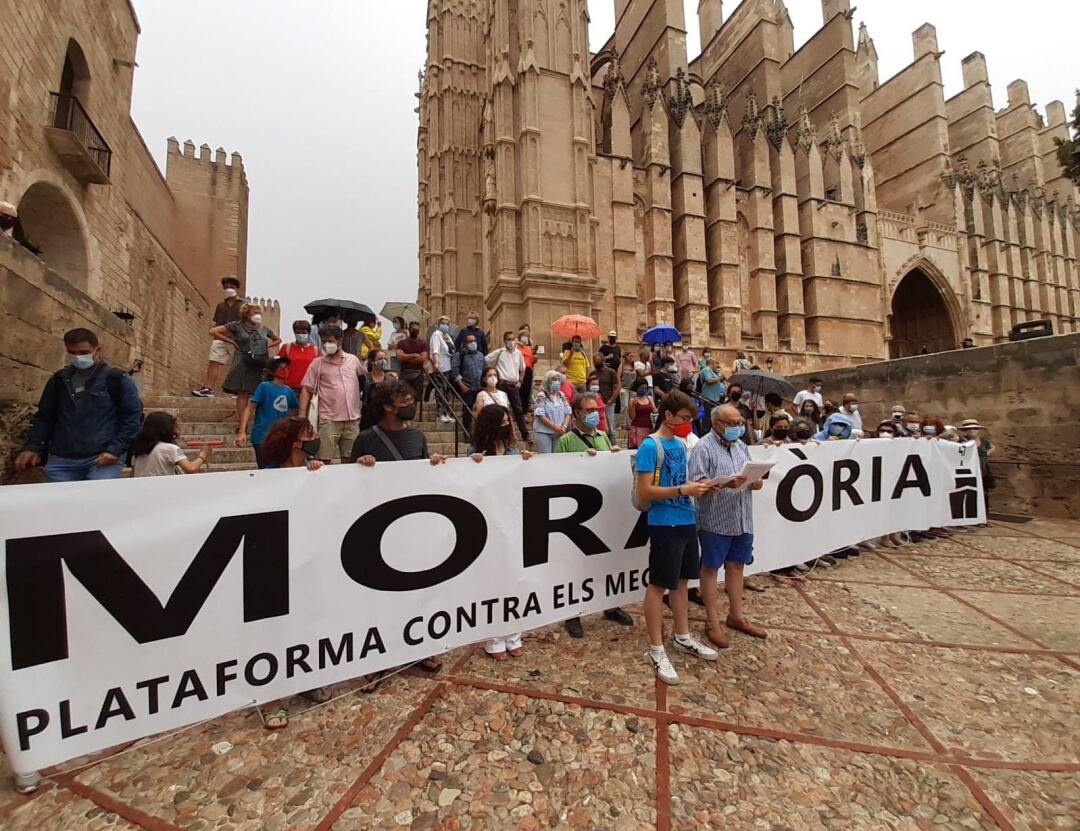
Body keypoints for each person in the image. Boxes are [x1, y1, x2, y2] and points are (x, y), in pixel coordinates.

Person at [354, 380, 447, 674]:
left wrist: (433, 464)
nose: (411, 403)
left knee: (415, 591)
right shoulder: (366, 439)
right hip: (377, 528)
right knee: (379, 595)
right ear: (387, 405)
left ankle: (418, 647)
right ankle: (377, 656)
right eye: (405, 399)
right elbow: (346, 482)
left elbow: (423, 477)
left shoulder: (418, 437)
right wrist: (360, 465)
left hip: (412, 527)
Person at [635, 391, 718, 684]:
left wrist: (701, 487)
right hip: (664, 522)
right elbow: (645, 490)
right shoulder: (650, 446)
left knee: (682, 581)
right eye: (684, 418)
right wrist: (683, 491)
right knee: (659, 584)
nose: (688, 424)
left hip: (686, 519)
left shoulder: (681, 445)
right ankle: (656, 648)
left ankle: (682, 635)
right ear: (668, 415)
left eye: (691, 419)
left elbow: (681, 481)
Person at [689, 404, 768, 650]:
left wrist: (755, 482)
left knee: (737, 566)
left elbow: (752, 475)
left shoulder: (741, 446)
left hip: (742, 517)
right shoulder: (703, 447)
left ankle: (736, 616)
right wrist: (724, 484)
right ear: (717, 423)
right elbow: (697, 484)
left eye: (739, 422)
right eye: (732, 423)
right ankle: (711, 621)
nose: (737, 427)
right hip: (716, 519)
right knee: (711, 568)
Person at [15, 328, 141, 482]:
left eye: (83, 352)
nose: (78, 357)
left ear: (97, 350)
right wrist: (33, 447)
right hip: (62, 458)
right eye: (72, 352)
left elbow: (131, 418)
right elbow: (45, 416)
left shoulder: (117, 380)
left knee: (94, 502)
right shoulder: (59, 380)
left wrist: (115, 450)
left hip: (101, 458)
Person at [557, 392, 632, 637]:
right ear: (577, 412)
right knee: (576, 564)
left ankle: (610, 605)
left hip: (603, 507)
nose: (594, 414)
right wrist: (580, 462)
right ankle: (572, 613)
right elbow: (555, 474)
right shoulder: (566, 441)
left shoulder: (603, 437)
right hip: (577, 512)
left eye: (596, 410)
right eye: (589, 410)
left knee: (606, 559)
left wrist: (614, 457)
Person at [468, 404, 534, 658]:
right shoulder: (474, 452)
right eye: (503, 420)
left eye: (509, 420)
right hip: (487, 521)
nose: (507, 424)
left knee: (514, 577)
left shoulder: (513, 451)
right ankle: (493, 638)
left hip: (513, 519)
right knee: (492, 581)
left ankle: (514, 634)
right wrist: (473, 464)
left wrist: (525, 464)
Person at [299, 326, 366, 463]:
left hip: (352, 419)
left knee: (351, 459)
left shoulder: (353, 360)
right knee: (324, 459)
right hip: (328, 419)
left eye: (329, 341)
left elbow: (362, 379)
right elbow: (306, 389)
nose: (326, 345)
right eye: (323, 342)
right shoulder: (317, 364)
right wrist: (301, 415)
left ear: (340, 340)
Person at [211, 302, 280, 428]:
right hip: (242, 361)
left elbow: (277, 339)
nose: (257, 315)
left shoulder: (263, 329)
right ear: (247, 313)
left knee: (257, 393)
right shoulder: (236, 326)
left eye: (259, 313)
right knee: (243, 393)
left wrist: (265, 346)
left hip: (258, 363)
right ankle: (242, 424)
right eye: (255, 312)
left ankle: (256, 421)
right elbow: (214, 331)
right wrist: (231, 341)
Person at [238, 357, 299, 468]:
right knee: (265, 468)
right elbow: (250, 408)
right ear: (272, 371)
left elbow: (296, 410)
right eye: (281, 368)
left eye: (286, 367)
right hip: (262, 436)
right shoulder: (264, 387)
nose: (285, 370)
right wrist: (242, 431)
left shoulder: (288, 391)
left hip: (281, 438)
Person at [192, 276, 243, 397]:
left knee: (238, 364)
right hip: (221, 338)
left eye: (232, 287)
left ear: (236, 289)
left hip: (238, 339)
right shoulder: (221, 306)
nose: (229, 289)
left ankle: (238, 389)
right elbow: (218, 323)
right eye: (226, 287)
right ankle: (208, 388)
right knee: (214, 362)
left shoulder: (243, 305)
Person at [131, 412, 213, 476]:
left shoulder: (139, 449)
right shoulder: (170, 448)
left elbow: (133, 473)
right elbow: (190, 468)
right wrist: (203, 454)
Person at [485, 332, 529, 441]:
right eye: (509, 339)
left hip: (513, 385)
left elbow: (522, 369)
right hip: (501, 384)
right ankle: (502, 434)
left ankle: (525, 434)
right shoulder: (499, 352)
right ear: (505, 341)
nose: (511, 342)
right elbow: (485, 360)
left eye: (513, 339)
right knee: (502, 410)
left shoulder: (518, 353)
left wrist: (520, 381)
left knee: (518, 410)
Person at [452, 332, 487, 432]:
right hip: (467, 387)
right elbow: (455, 371)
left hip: (480, 387)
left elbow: (485, 369)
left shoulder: (480, 355)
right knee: (467, 411)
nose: (473, 343)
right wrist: (461, 385)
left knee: (482, 410)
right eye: (470, 341)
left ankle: (480, 431)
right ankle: (467, 432)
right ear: (465, 343)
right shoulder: (460, 355)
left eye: (474, 341)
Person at [532, 369, 572, 454]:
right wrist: (555, 427)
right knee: (546, 457)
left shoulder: (561, 395)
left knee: (557, 457)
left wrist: (564, 427)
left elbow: (568, 411)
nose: (557, 382)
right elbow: (540, 415)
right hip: (544, 432)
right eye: (554, 380)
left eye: (558, 380)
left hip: (560, 432)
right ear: (548, 382)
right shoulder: (541, 396)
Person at [961, 418, 995, 517]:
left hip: (983, 471)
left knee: (984, 495)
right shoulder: (962, 441)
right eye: (969, 429)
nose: (972, 430)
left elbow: (992, 447)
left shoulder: (983, 441)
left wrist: (985, 455)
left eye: (975, 428)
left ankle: (984, 516)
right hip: (969, 471)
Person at [278, 321, 320, 396]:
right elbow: (279, 367)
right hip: (289, 388)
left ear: (308, 333)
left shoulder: (315, 350)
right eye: (298, 332)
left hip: (309, 389)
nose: (301, 335)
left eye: (304, 333)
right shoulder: (286, 347)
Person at [429, 315, 457, 423]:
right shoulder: (436, 335)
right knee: (440, 390)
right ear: (438, 324)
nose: (445, 325)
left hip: (448, 366)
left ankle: (446, 412)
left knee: (447, 391)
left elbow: (452, 350)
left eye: (447, 323)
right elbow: (435, 350)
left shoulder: (448, 336)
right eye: (443, 323)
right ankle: (440, 413)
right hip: (440, 366)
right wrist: (436, 362)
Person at [396, 320, 429, 404]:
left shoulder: (423, 343)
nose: (415, 331)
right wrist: (414, 355)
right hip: (404, 373)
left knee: (415, 399)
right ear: (409, 329)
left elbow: (422, 358)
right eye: (413, 329)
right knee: (403, 397)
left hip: (417, 373)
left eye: (417, 330)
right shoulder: (401, 343)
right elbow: (400, 357)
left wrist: (406, 357)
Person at [359, 349, 392, 431]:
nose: (383, 361)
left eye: (385, 359)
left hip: (385, 419)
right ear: (372, 361)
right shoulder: (364, 378)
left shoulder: (390, 380)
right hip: (367, 420)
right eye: (380, 359)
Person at [591, 353, 620, 444]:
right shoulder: (593, 373)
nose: (596, 363)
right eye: (595, 362)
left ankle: (612, 445)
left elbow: (617, 387)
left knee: (610, 427)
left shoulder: (611, 372)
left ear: (603, 361)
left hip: (608, 402)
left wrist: (611, 400)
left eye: (598, 362)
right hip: (596, 403)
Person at [627, 383, 657, 449]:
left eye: (645, 388)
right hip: (637, 428)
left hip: (649, 427)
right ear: (637, 388)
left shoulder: (649, 398)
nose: (643, 390)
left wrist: (652, 404)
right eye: (641, 388)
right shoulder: (633, 400)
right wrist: (633, 406)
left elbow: (654, 411)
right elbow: (632, 417)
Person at [517, 326, 536, 412]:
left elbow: (531, 361)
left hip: (528, 370)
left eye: (527, 336)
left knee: (526, 392)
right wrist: (517, 342)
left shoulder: (529, 348)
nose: (525, 338)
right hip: (519, 370)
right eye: (523, 336)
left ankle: (524, 411)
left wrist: (535, 359)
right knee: (519, 391)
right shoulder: (516, 346)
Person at [618, 352, 638, 430]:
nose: (631, 358)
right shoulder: (622, 365)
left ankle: (631, 423)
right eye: (630, 356)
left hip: (632, 389)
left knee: (631, 407)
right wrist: (620, 387)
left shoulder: (634, 366)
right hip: (624, 388)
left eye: (633, 356)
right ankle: (623, 423)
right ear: (626, 357)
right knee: (625, 406)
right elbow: (618, 376)